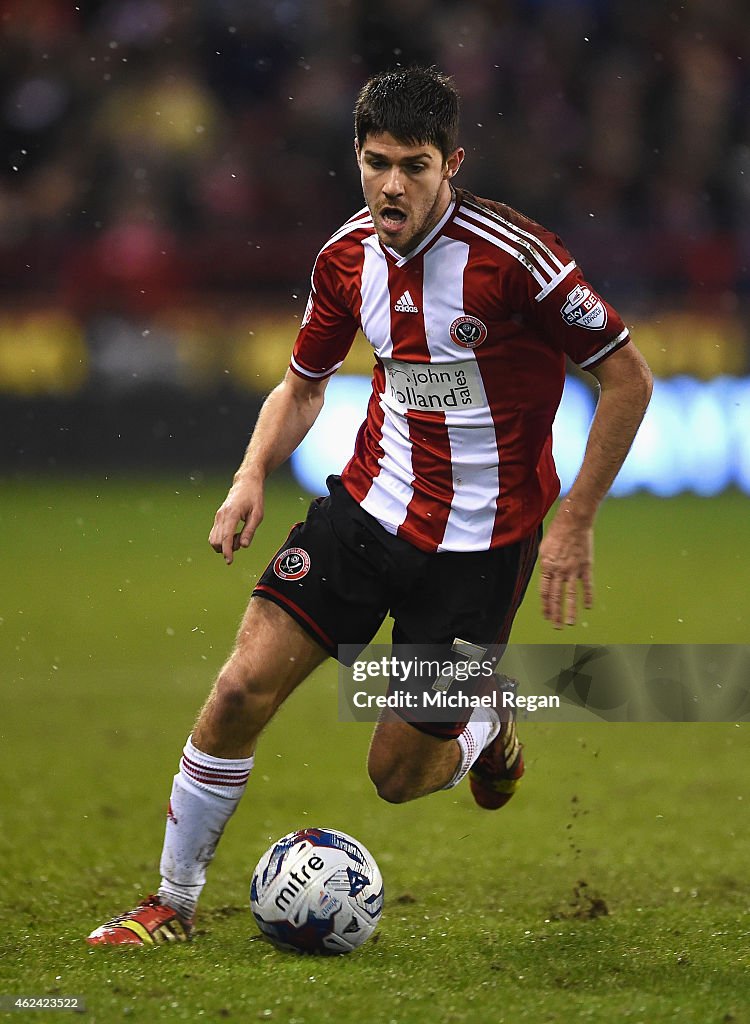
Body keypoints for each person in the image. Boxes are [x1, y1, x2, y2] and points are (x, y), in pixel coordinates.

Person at [87, 66, 652, 945]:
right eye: (378, 162)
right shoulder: (345, 257)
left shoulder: (519, 261)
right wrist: (248, 475)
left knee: (394, 774)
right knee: (240, 688)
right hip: (365, 511)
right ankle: (174, 902)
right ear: (357, 156)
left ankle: (484, 725)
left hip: (481, 549)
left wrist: (573, 518)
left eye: (415, 166)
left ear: (451, 164)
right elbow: (303, 387)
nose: (393, 185)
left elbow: (628, 377)